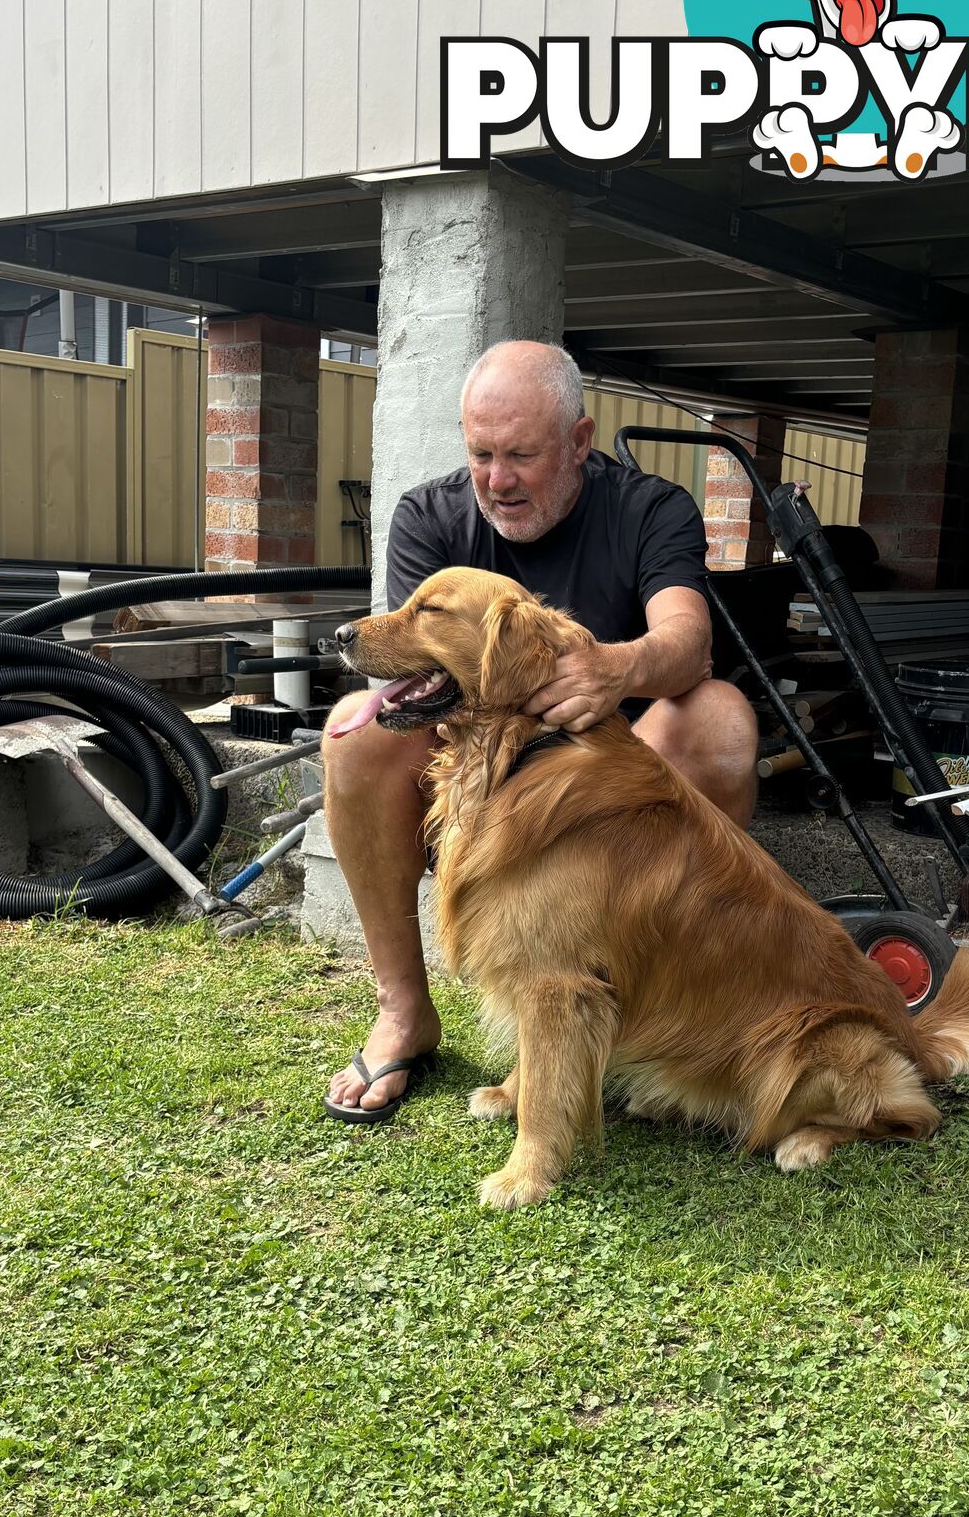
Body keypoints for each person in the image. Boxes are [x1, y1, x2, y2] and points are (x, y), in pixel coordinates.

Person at [321, 339, 760, 1121]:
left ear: (580, 442)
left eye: (521, 454)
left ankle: (657, 1003)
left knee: (720, 716)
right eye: (481, 453)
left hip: (620, 790)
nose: (497, 479)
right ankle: (403, 1011)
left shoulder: (651, 509)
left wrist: (618, 668)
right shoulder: (431, 513)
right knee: (352, 737)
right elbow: (415, 676)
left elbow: (689, 644)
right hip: (493, 786)